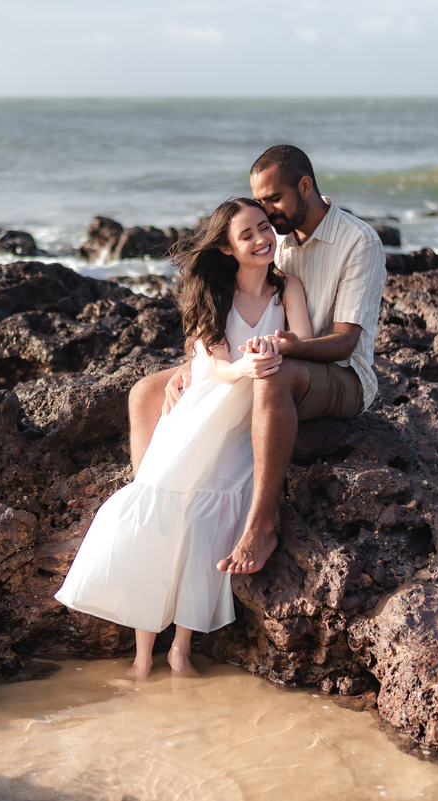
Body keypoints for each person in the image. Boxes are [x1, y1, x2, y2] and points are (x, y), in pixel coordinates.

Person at [55, 198, 313, 679]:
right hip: (197, 415)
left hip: (242, 428)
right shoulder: (213, 291)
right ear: (226, 247)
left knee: (204, 526)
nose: (262, 240)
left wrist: (274, 347)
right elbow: (211, 363)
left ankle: (181, 651)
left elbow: (301, 338)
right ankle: (140, 656)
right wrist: (245, 365)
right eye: (247, 235)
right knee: (159, 518)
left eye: (265, 229)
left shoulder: (288, 287)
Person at [127, 144, 386, 576]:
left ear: (305, 186)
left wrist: (284, 346)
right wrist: (193, 366)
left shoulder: (358, 241)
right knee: (145, 392)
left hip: (342, 375)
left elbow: (342, 344)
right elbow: (225, 319)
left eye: (273, 199)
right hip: (275, 357)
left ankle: (262, 526)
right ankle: (149, 506)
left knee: (271, 377)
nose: (266, 212)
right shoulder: (277, 241)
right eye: (260, 203)